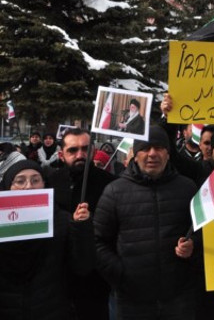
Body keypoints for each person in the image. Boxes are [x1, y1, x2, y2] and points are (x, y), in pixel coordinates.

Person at [94, 125, 198, 320]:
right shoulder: (114, 191)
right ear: (135, 154)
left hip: (178, 297)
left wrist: (193, 246)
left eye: (159, 148)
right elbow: (97, 241)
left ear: (168, 153)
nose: (152, 154)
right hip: (131, 299)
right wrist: (121, 274)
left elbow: (202, 232)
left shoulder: (187, 188)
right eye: (145, 148)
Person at [0, 160, 94, 320]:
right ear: (8, 187)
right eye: (20, 181)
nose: (28, 186)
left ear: (45, 184)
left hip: (51, 310)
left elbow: (82, 266)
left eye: (35, 180)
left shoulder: (63, 220)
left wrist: (81, 228)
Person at [49, 127, 116, 320]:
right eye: (73, 150)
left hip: (96, 278)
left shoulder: (110, 184)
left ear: (93, 152)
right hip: (58, 277)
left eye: (85, 149)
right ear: (61, 155)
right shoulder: (50, 181)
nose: (80, 155)